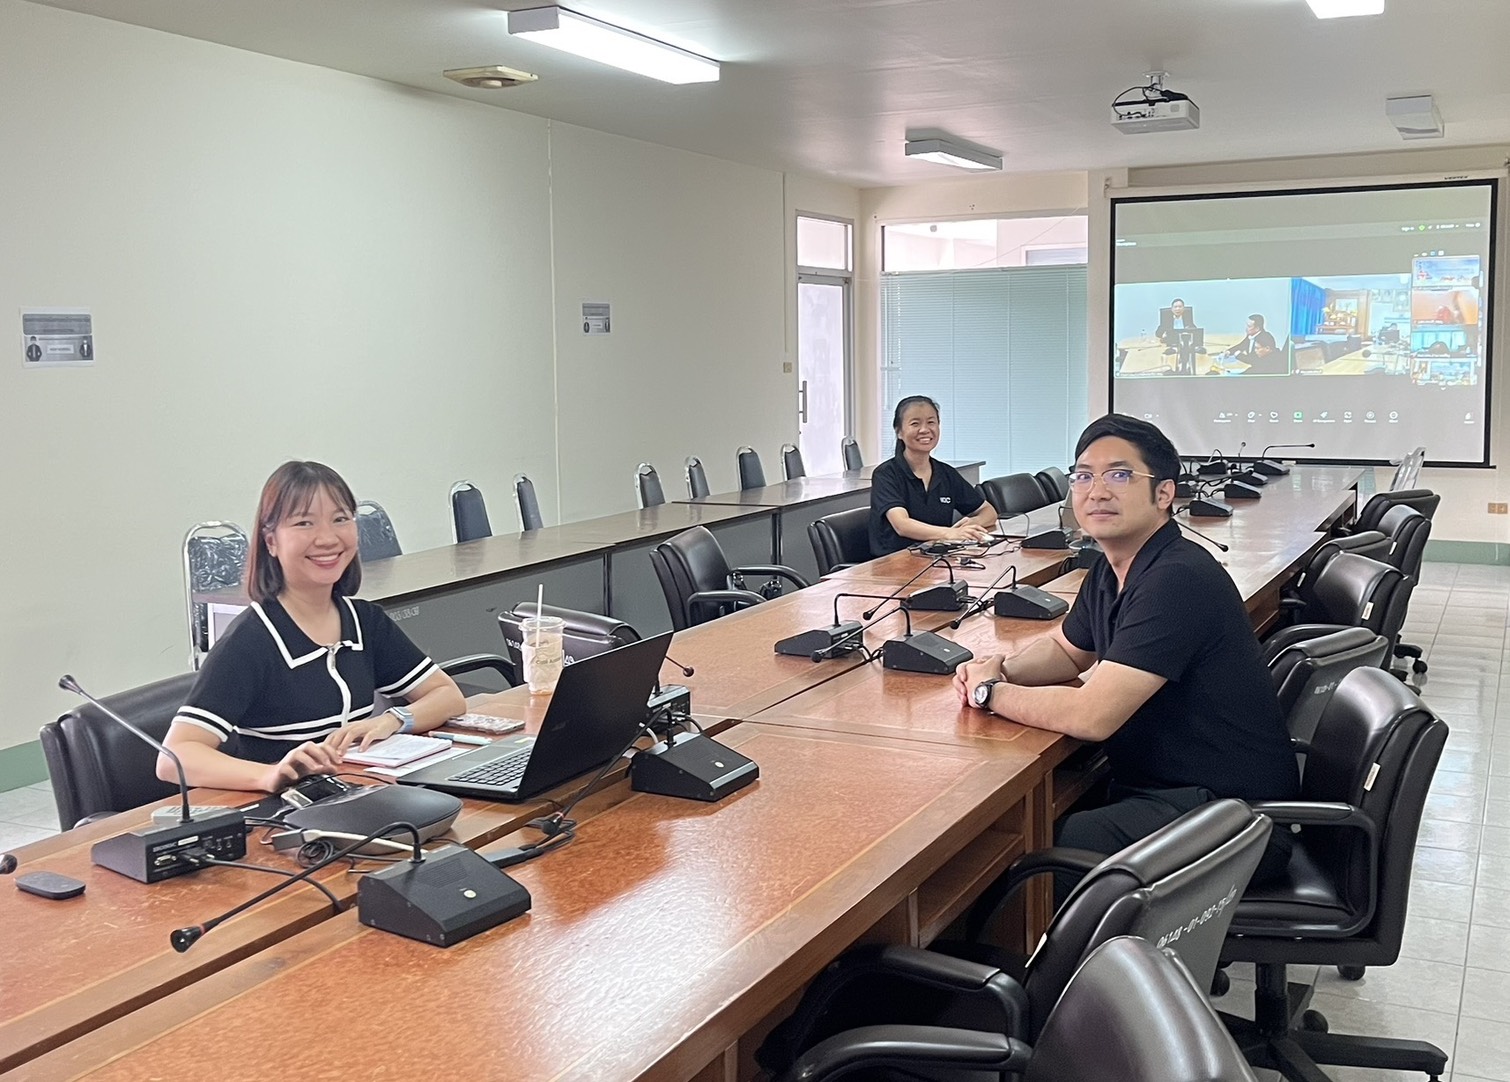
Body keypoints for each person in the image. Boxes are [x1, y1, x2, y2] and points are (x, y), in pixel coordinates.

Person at [952, 414, 1296, 900]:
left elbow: (1091, 716)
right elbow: (1067, 651)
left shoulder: (1177, 578)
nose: (1096, 491)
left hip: (1231, 818)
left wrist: (990, 694)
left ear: (1164, 493)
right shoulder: (1115, 567)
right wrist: (1000, 667)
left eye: (1119, 475)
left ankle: (1046, 950)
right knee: (1044, 820)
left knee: (1042, 846)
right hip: (1178, 792)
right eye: (1083, 476)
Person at [160, 461, 466, 792]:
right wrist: (269, 775)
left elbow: (448, 696)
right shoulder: (251, 639)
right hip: (286, 811)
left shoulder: (364, 621)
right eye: (304, 523)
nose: (327, 538)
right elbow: (174, 757)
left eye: (340, 519)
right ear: (271, 542)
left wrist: (392, 720)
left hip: (359, 794)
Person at [868, 395, 997, 556]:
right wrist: (949, 533)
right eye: (915, 423)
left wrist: (971, 524)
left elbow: (988, 511)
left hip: (937, 557)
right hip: (895, 561)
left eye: (931, 422)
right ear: (899, 431)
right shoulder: (886, 474)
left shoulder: (945, 473)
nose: (924, 430)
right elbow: (902, 525)